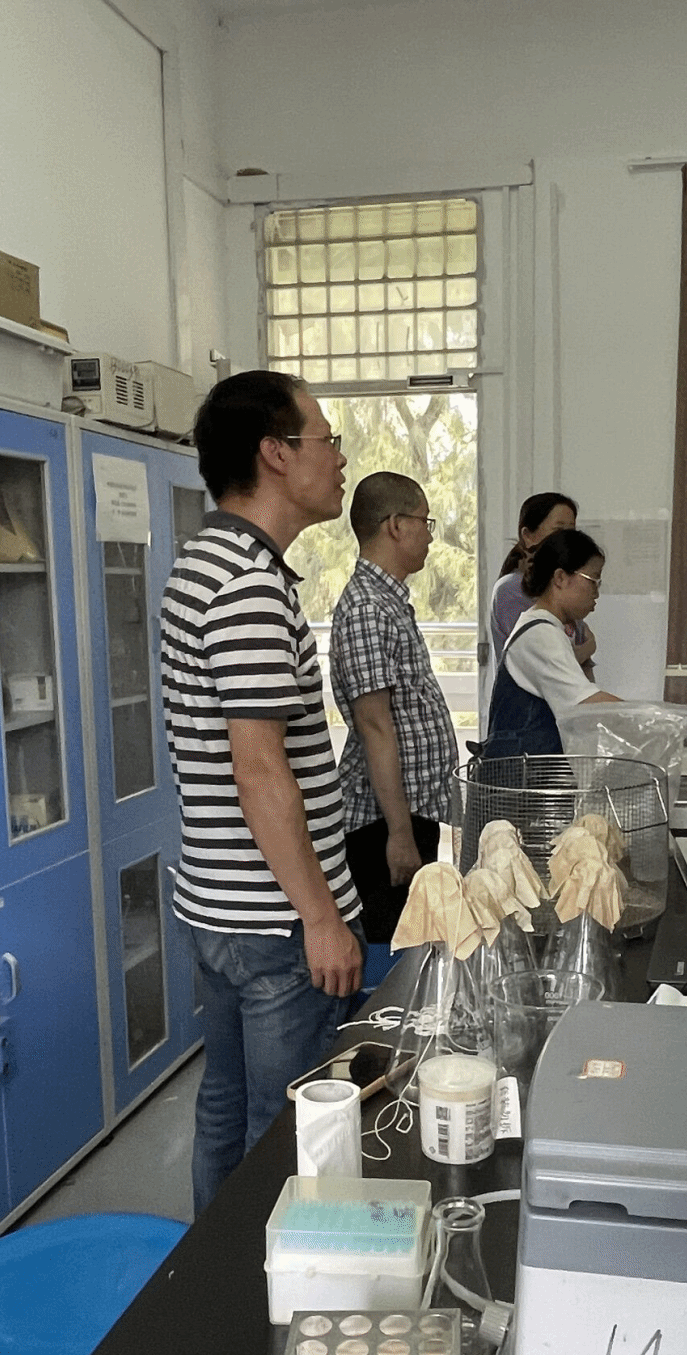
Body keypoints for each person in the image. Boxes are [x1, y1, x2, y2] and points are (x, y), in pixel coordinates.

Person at [160, 369, 365, 1213]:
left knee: (226, 1106)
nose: (339, 458)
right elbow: (259, 769)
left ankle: (217, 1270)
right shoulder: (247, 585)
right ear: (276, 455)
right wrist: (321, 917)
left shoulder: (205, 562)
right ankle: (258, 1277)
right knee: (281, 1131)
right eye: (326, 440)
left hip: (217, 905)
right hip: (276, 922)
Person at [329, 472, 458, 943]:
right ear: (396, 525)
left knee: (415, 941)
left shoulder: (387, 601)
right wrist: (400, 835)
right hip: (383, 824)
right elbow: (375, 726)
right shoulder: (367, 608)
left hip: (405, 814)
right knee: (394, 952)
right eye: (425, 521)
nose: (430, 535)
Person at [484, 528, 621, 758]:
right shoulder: (540, 635)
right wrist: (653, 718)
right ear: (560, 578)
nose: (596, 593)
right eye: (593, 581)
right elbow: (585, 703)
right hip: (521, 775)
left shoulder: (549, 628)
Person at [489, 491, 595, 676]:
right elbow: (541, 665)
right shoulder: (512, 590)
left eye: (571, 532)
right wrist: (588, 648)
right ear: (528, 536)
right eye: (558, 531)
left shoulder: (566, 586)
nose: (566, 540)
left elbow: (582, 665)